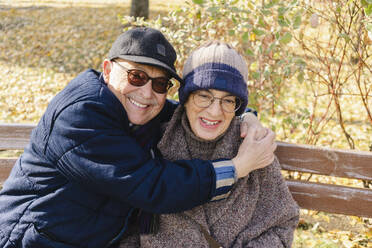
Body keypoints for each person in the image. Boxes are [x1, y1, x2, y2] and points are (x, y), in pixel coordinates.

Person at [0, 28, 275, 248]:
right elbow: (153, 186)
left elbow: (196, 108)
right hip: (27, 239)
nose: (146, 93)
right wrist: (239, 167)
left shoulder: (142, 109)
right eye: (136, 76)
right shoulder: (80, 117)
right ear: (107, 70)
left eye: (159, 84)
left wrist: (246, 117)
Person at [125, 41, 298, 247]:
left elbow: (281, 224)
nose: (215, 112)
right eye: (204, 96)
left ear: (238, 105)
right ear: (186, 98)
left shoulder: (253, 147)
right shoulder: (153, 143)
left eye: (227, 100)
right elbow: (126, 227)